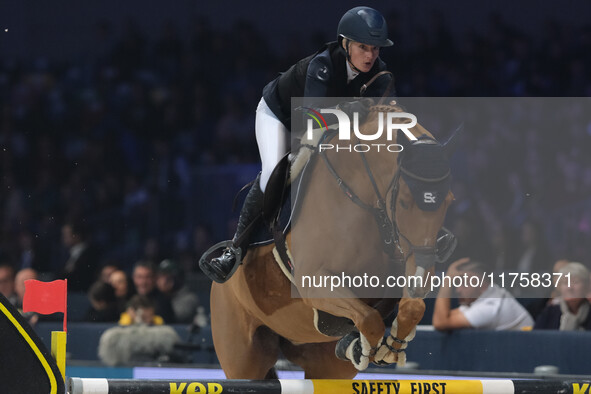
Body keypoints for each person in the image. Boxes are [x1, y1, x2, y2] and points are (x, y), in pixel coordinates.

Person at [201, 6, 395, 283]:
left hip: (328, 124)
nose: (370, 55)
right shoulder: (323, 65)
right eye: (363, 47)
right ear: (346, 44)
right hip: (281, 115)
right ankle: (235, 249)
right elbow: (312, 120)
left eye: (376, 49)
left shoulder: (380, 73)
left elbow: (383, 119)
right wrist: (356, 111)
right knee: (275, 169)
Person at [433, 258, 534, 331]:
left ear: (481, 284)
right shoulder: (483, 297)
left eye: (464, 283)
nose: (458, 290)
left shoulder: (491, 305)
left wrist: (447, 280)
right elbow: (444, 316)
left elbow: (440, 323)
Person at [534, 262, 591, 330]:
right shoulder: (549, 313)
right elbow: (536, 338)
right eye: (565, 283)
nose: (570, 287)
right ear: (559, 287)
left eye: (575, 282)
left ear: (587, 286)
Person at [60, 217, 101, 292]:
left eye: (66, 235)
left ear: (77, 235)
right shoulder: (66, 253)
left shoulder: (90, 254)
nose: (63, 238)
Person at [156, 259, 199, 324]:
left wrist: (164, 295)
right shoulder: (155, 295)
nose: (163, 281)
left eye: (168, 278)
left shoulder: (189, 298)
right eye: (160, 276)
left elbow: (174, 319)